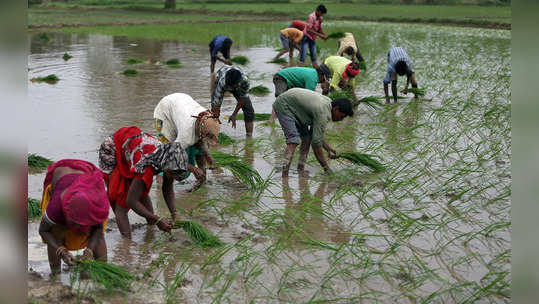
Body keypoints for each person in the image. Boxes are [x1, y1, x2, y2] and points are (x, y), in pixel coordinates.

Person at [98, 126, 205, 238]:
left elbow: (167, 189)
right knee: (121, 203)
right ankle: (127, 244)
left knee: (140, 191)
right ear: (167, 167)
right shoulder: (147, 166)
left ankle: (150, 229)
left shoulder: (168, 158)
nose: (172, 177)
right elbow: (131, 201)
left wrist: (174, 214)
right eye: (172, 174)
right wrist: (157, 219)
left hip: (132, 150)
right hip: (112, 150)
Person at [38, 159, 110, 274]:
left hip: (86, 174)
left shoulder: (95, 207)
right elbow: (43, 231)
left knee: (99, 237)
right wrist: (61, 250)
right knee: (56, 233)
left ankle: (104, 271)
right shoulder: (56, 207)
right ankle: (55, 276)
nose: (77, 228)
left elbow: (98, 229)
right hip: (62, 175)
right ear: (66, 214)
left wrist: (89, 250)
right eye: (73, 223)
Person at [272, 88, 354, 177]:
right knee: (293, 140)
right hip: (284, 105)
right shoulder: (323, 113)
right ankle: (285, 176)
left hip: (296, 108)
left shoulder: (328, 105)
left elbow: (316, 135)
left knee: (307, 139)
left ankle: (300, 169)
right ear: (336, 109)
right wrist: (327, 170)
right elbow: (316, 145)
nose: (341, 120)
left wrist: (328, 149)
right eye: (342, 116)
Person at [154, 93, 220, 188]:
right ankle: (160, 187)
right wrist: (193, 169)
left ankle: (202, 182)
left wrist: (209, 157)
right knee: (166, 154)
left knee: (199, 148)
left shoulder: (207, 118)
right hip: (165, 112)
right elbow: (172, 156)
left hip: (181, 104)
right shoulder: (186, 135)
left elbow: (201, 144)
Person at [211, 65, 254, 137]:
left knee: (249, 110)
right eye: (229, 86)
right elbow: (216, 103)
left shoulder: (245, 81)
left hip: (237, 86)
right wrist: (216, 116)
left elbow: (242, 98)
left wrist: (234, 114)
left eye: (232, 87)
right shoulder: (222, 82)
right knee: (214, 112)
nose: (230, 89)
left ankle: (249, 137)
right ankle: (213, 135)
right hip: (221, 77)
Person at [299, 4, 328, 69]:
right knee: (303, 56)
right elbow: (308, 30)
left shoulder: (320, 18)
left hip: (313, 38)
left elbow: (319, 28)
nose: (322, 15)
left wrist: (323, 34)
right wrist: (320, 35)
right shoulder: (311, 17)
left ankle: (317, 72)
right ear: (318, 11)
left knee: (314, 57)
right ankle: (299, 72)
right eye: (322, 13)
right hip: (306, 37)